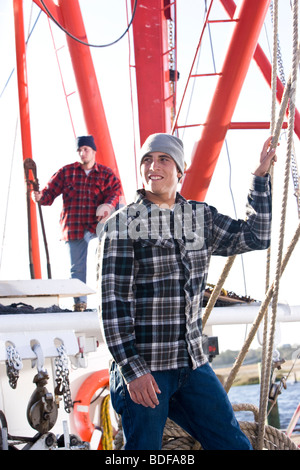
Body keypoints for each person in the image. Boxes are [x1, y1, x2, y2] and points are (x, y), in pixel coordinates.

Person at [99, 133, 277, 450]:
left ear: (180, 170)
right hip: (146, 369)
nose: (153, 166)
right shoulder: (121, 225)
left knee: (234, 446)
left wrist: (259, 178)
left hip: (193, 366)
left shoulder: (201, 218)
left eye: (163, 159)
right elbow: (112, 307)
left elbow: (257, 236)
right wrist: (132, 371)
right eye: (147, 160)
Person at [33, 135, 122, 311]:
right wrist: (39, 196)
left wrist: (107, 205)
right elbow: (48, 194)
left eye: (86, 149)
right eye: (79, 150)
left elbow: (115, 192)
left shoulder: (105, 174)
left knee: (102, 261)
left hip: (96, 228)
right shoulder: (66, 172)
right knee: (76, 270)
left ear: (93, 151)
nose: (82, 153)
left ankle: (105, 302)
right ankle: (79, 304)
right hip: (73, 229)